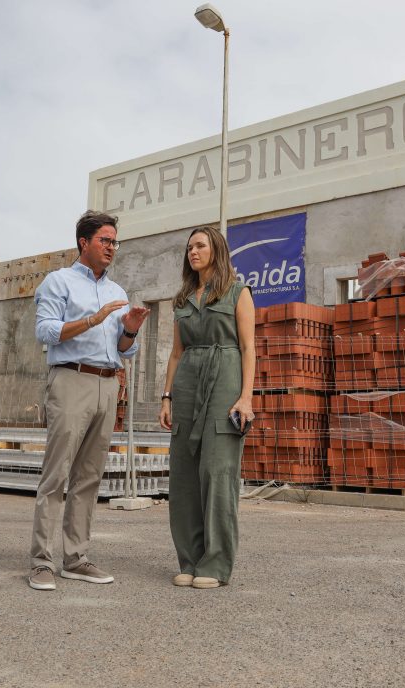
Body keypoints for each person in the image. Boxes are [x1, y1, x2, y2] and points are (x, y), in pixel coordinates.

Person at [29, 210, 150, 591]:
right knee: (57, 474)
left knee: (89, 477)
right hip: (70, 379)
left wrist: (129, 331)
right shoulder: (58, 281)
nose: (112, 248)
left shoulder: (117, 293)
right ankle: (41, 562)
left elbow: (124, 351)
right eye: (105, 241)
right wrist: (92, 320)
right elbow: (45, 331)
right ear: (84, 242)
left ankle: (75, 559)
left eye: (115, 242)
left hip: (107, 383)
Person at [159, 226, 255, 589]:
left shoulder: (237, 291)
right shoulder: (183, 299)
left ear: (216, 249)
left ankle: (215, 563)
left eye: (200, 245)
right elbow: (175, 353)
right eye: (189, 248)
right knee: (183, 474)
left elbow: (249, 348)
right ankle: (190, 558)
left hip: (224, 383)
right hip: (186, 386)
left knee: (217, 472)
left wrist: (245, 397)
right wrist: (166, 396)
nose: (193, 252)